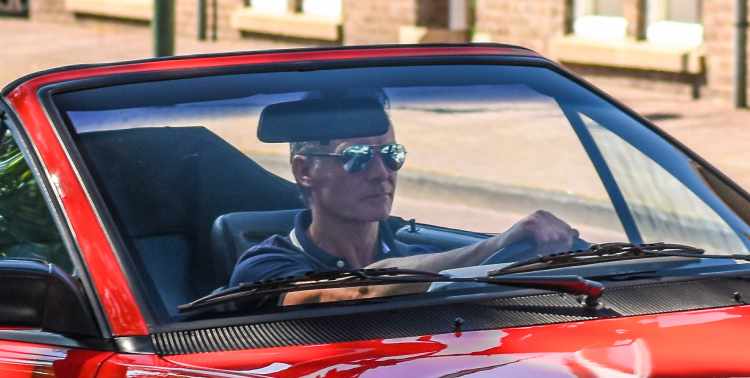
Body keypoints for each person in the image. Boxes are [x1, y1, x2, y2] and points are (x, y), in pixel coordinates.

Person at [228, 96, 579, 289]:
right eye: (357, 157)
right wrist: (495, 246)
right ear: (305, 171)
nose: (382, 174)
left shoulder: (420, 254)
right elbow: (357, 291)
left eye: (392, 155)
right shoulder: (267, 267)